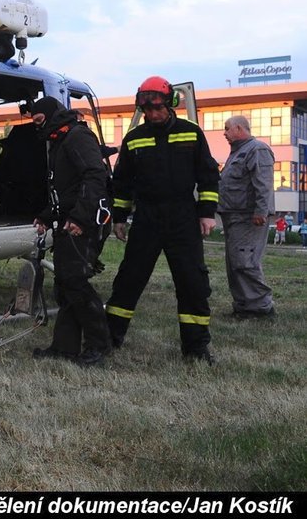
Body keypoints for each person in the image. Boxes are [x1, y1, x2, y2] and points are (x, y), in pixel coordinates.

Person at [105, 76, 220, 365]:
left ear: (169, 105)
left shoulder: (191, 132)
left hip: (183, 216)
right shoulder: (133, 138)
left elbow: (208, 175)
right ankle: (110, 337)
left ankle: (195, 348)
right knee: (129, 279)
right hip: (146, 217)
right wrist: (119, 218)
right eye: (147, 111)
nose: (153, 115)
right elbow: (122, 183)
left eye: (157, 109)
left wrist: (207, 212)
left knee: (192, 282)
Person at [27, 96, 112, 366]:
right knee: (65, 284)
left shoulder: (77, 137)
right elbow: (66, 188)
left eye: (39, 121)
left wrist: (80, 218)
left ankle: (99, 345)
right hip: (69, 219)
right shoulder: (59, 140)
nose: (37, 128)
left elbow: (95, 176)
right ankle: (64, 347)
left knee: (75, 281)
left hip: (84, 221)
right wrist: (46, 214)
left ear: (51, 117)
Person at [218, 116, 276, 319]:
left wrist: (261, 211)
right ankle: (243, 306)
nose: (224, 133)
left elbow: (264, 183)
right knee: (235, 263)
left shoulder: (257, 149)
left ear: (239, 128)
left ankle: (260, 308)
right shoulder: (237, 152)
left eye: (227, 129)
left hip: (249, 218)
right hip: (235, 217)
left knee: (246, 260)